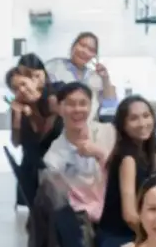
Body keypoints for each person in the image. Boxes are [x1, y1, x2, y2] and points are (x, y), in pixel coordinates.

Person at [98, 95, 156, 247]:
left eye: (146, 116)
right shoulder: (128, 159)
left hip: (132, 235)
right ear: (123, 125)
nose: (142, 123)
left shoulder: (143, 153)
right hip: (118, 239)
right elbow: (129, 215)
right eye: (134, 118)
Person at [42, 83, 113, 224]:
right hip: (88, 221)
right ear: (59, 108)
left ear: (91, 106)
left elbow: (124, 174)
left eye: (83, 103)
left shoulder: (109, 132)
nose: (77, 109)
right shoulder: (53, 158)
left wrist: (100, 154)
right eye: (70, 104)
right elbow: (64, 203)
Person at [46, 32, 118, 116]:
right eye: (82, 45)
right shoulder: (54, 67)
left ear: (94, 56)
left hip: (89, 123)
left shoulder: (95, 76)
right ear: (73, 46)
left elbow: (110, 105)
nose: (85, 51)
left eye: (91, 50)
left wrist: (105, 79)